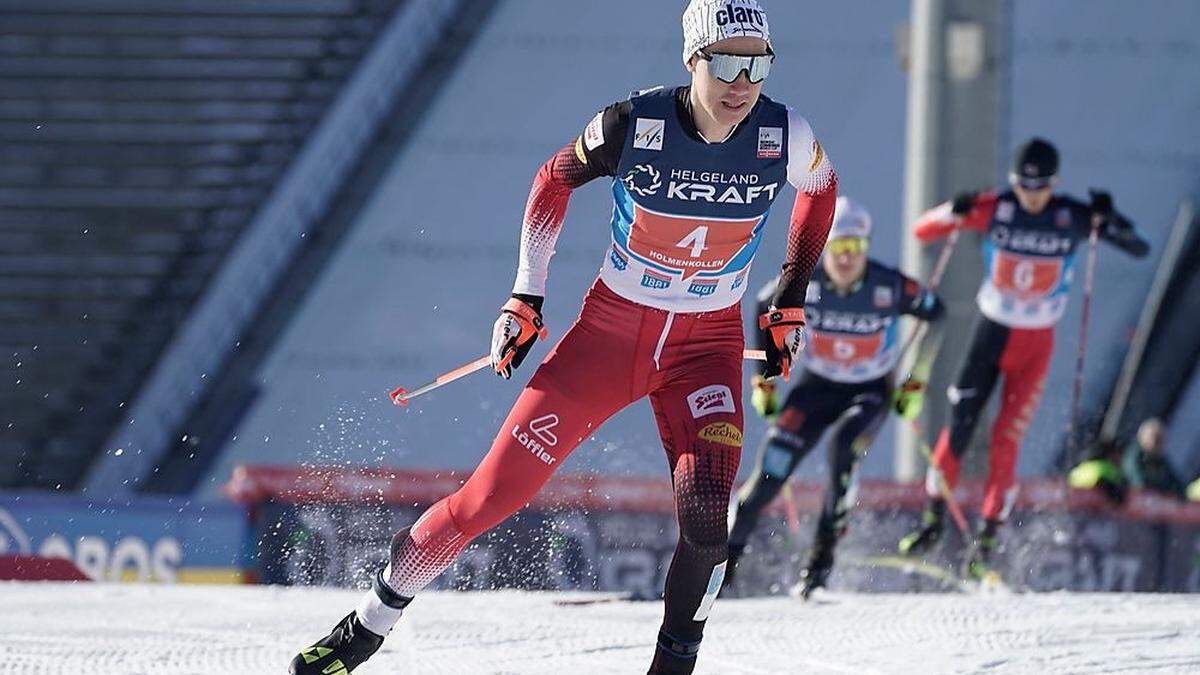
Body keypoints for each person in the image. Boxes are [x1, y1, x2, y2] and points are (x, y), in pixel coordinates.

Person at [290, 1, 838, 673]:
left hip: (706, 350)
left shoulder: (784, 134)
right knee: (485, 500)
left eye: (758, 64)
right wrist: (525, 294)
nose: (742, 81)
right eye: (726, 61)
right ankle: (368, 624)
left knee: (706, 529)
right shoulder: (634, 124)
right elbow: (554, 179)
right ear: (692, 59)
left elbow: (820, 187)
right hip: (610, 340)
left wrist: (791, 293)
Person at [898, 138, 1150, 579]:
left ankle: (987, 542)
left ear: (1055, 183)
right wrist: (952, 208)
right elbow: (923, 230)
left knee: (1005, 441)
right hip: (990, 333)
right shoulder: (997, 207)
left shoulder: (1072, 216)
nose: (1032, 197)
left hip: (1035, 345)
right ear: (1014, 182)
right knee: (960, 424)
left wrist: (1112, 219)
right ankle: (933, 522)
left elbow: (1138, 246)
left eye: (1041, 188)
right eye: (1024, 187)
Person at [723, 197, 945, 599]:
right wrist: (765, 380)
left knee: (844, 451)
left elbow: (936, 313)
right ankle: (723, 567)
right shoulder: (805, 284)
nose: (846, 259)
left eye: (855, 248)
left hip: (869, 392)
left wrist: (916, 382)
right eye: (838, 247)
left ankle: (818, 569)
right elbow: (762, 305)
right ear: (824, 248)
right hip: (816, 388)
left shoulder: (888, 285)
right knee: (772, 467)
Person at [1122, 418, 1187, 498]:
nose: (1158, 445)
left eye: (1161, 441)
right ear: (1144, 438)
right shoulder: (1134, 457)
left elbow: (1176, 483)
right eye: (1156, 440)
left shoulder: (1161, 460)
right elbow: (1138, 482)